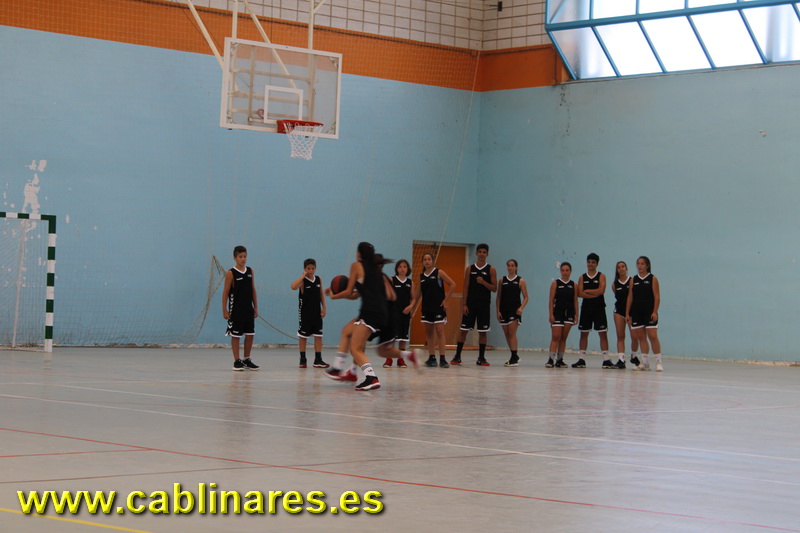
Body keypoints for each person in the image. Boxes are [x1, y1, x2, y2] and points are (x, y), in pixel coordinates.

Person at [324, 242, 415, 391]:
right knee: (348, 332)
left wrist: (334, 296)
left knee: (356, 348)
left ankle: (371, 378)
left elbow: (349, 292)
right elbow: (356, 294)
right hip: (379, 313)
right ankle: (343, 369)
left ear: (359, 254)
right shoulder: (376, 273)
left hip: (372, 313)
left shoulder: (357, 266)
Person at [405, 252, 455, 368]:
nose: (427, 261)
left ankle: (442, 358)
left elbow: (453, 284)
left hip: (438, 307)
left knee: (440, 331)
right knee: (429, 332)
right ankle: (432, 358)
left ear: (432, 261)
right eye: (425, 259)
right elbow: (417, 295)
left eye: (429, 259)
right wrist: (412, 308)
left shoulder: (439, 272)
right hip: (426, 308)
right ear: (422, 262)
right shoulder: (421, 277)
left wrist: (446, 300)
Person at [451, 243, 497, 366]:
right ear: (476, 253)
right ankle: (457, 356)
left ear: (487, 254)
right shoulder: (469, 269)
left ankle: (481, 358)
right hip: (470, 305)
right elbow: (465, 287)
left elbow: (494, 288)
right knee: (463, 330)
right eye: (480, 252)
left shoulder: (491, 269)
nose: (482, 254)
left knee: (483, 332)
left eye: (484, 252)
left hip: (484, 305)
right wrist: (464, 304)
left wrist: (483, 282)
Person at [222, 245, 260, 371]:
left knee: (250, 334)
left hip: (248, 309)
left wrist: (255, 307)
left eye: (244, 256)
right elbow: (225, 292)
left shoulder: (250, 271)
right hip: (236, 310)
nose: (243, 259)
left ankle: (247, 359)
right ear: (235, 258)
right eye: (240, 257)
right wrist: (224, 309)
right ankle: (237, 361)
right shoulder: (231, 273)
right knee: (236, 335)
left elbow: (253, 289)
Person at [626, 256, 663, 372]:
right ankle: (645, 363)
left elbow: (657, 297)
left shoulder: (653, 278)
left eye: (642, 263)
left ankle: (658, 362)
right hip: (637, 312)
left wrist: (655, 311)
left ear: (647, 265)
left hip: (649, 312)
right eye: (638, 263)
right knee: (641, 337)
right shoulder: (633, 279)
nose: (639, 266)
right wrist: (627, 313)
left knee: (652, 336)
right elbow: (630, 297)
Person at [574, 253, 611, 369]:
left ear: (597, 264)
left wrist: (588, 291)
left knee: (603, 333)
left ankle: (606, 360)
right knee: (583, 333)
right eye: (589, 262)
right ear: (587, 263)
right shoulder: (582, 277)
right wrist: (594, 293)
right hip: (586, 309)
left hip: (599, 308)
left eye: (593, 262)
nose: (591, 264)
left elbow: (601, 291)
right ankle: (581, 359)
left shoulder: (601, 276)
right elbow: (579, 293)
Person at [290, 258, 329, 369]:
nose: (311, 271)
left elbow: (321, 294)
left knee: (318, 336)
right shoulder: (303, 281)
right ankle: (303, 359)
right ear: (304, 269)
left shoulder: (318, 279)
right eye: (308, 269)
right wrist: (303, 275)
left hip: (316, 312)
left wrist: (324, 307)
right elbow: (293, 287)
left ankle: (318, 359)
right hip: (305, 313)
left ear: (315, 268)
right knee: (303, 336)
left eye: (312, 268)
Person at [497, 259, 529, 367]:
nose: (510, 267)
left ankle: (514, 357)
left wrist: (521, 307)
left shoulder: (521, 281)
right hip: (503, 310)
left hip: (514, 311)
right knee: (507, 334)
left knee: (512, 333)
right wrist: (498, 311)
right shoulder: (502, 280)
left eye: (512, 265)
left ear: (516, 267)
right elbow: (499, 297)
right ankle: (514, 355)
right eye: (509, 265)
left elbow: (526, 297)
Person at [547, 262, 578, 368]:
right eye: (563, 270)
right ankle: (550, 360)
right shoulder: (555, 283)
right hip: (557, 313)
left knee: (563, 337)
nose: (565, 272)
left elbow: (575, 301)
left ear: (570, 271)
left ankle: (560, 360)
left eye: (567, 270)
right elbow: (551, 300)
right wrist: (551, 314)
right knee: (556, 337)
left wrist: (576, 315)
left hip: (569, 313)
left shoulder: (574, 285)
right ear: (560, 271)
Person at [383, 259, 412, 369]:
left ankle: (401, 359)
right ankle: (388, 359)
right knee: (392, 337)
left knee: (403, 338)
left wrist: (410, 307)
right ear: (396, 269)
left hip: (405, 313)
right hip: (394, 313)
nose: (402, 269)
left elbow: (414, 298)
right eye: (400, 266)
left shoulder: (410, 283)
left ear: (408, 269)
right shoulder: (392, 280)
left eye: (404, 266)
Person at [611, 261, 640, 370]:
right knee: (620, 336)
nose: (621, 269)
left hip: (632, 312)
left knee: (634, 337)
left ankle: (634, 355)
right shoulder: (614, 285)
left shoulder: (632, 281)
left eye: (623, 266)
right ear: (617, 270)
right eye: (619, 267)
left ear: (626, 268)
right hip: (619, 312)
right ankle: (621, 360)